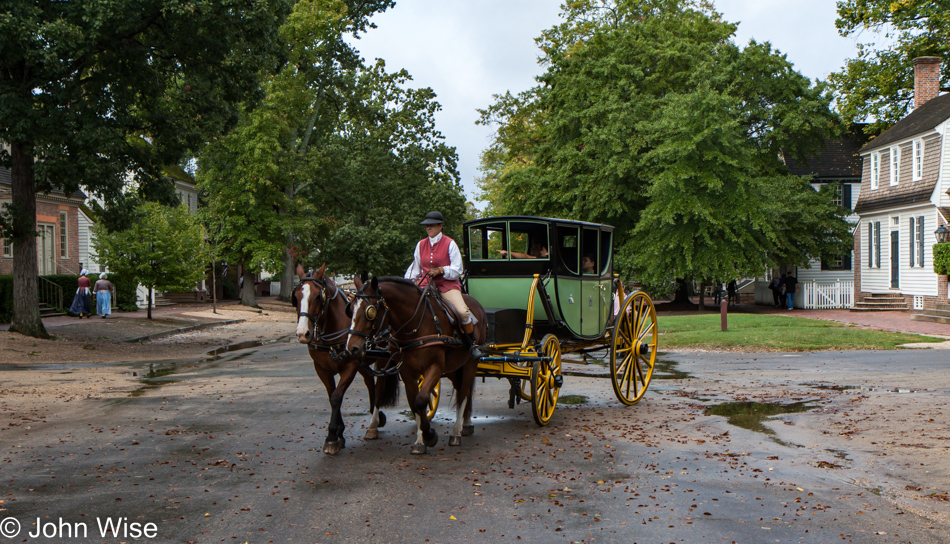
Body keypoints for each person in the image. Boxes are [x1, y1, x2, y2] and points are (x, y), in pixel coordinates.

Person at [405, 211, 482, 358]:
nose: (429, 227)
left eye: (432, 224)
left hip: (447, 285)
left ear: (441, 226)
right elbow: (415, 267)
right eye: (427, 225)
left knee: (462, 311)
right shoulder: (420, 245)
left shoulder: (450, 243)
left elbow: (458, 269)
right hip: (425, 285)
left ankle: (471, 344)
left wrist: (441, 270)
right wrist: (407, 282)